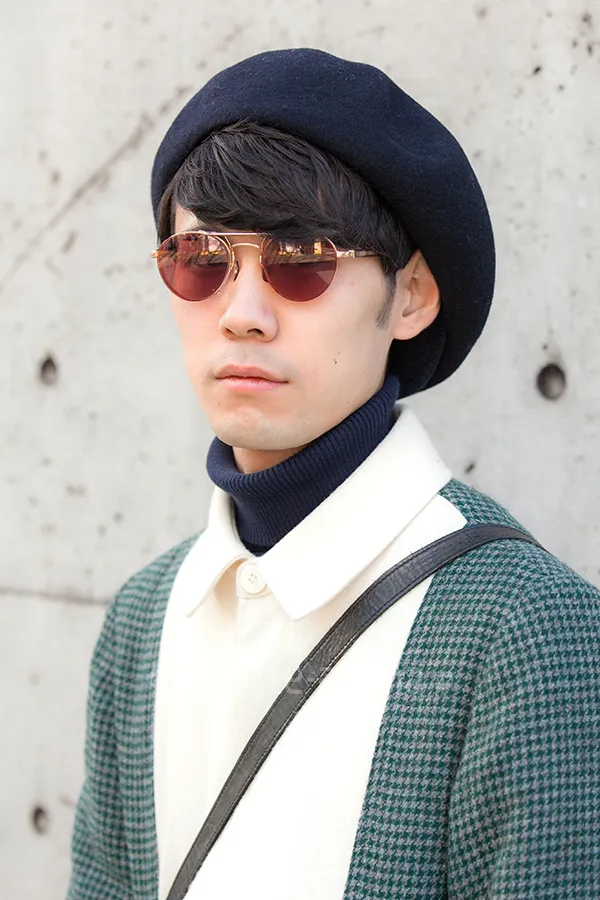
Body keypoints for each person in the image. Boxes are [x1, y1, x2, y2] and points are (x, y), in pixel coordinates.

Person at [67, 49, 600, 900]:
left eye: (301, 260)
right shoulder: (143, 622)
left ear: (411, 295)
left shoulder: (526, 633)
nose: (242, 315)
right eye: (201, 259)